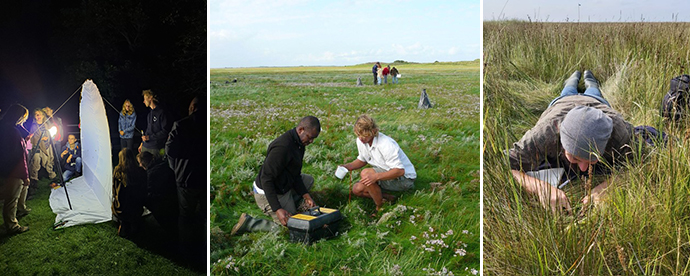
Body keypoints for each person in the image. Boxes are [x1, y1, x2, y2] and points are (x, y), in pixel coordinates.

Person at [509, 70, 634, 213]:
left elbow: (643, 163)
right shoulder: (545, 132)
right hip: (562, 103)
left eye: (592, 159)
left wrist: (608, 187)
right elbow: (506, 167)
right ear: (561, 142)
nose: (582, 168)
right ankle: (574, 77)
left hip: (597, 102)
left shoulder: (620, 131)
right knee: (568, 90)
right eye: (574, 157)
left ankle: (589, 78)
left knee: (594, 91)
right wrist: (541, 188)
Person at [231, 116, 321, 235]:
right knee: (292, 226)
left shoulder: (299, 144)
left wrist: (306, 196)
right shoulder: (282, 147)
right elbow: (266, 179)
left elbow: (296, 174)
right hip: (267, 192)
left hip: (283, 185)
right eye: (310, 138)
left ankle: (293, 204)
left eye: (313, 139)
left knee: (308, 180)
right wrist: (277, 209)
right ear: (301, 130)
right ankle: (250, 223)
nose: (311, 142)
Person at [340, 115, 416, 215]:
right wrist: (347, 166)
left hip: (404, 180)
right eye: (358, 135)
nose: (361, 138)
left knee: (366, 173)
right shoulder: (361, 141)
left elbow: (400, 171)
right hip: (386, 173)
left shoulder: (386, 144)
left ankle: (380, 207)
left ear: (373, 131)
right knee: (357, 189)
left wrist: (376, 177)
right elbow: (363, 159)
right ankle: (388, 198)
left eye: (365, 136)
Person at [165, 96, 206, 265]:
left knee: (185, 215)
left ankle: (186, 250)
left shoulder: (181, 125)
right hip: (203, 177)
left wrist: (176, 168)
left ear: (193, 107)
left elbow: (170, 149)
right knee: (203, 215)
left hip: (186, 177)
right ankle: (202, 247)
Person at [0, 104, 31, 234]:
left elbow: (25, 134)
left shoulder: (6, 127)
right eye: (23, 117)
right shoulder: (12, 132)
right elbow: (19, 156)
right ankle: (12, 226)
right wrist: (25, 175)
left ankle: (21, 209)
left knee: (14, 195)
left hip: (6, 168)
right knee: (11, 199)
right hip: (13, 170)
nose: (23, 120)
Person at [137, 152, 178, 233]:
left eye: (140, 163)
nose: (139, 166)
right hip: (174, 196)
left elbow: (149, 190)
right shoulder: (163, 165)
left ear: (143, 163)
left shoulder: (151, 174)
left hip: (163, 203)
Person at [112, 148, 147, 238]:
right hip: (137, 207)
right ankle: (132, 223)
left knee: (120, 203)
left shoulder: (118, 172)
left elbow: (114, 189)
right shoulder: (140, 171)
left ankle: (124, 223)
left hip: (122, 208)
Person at [29, 108, 57, 187]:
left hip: (47, 146)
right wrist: (41, 139)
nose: (38, 115)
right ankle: (33, 181)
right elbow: (33, 138)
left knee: (49, 162)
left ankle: (53, 177)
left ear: (42, 115)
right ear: (35, 116)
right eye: (36, 114)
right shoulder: (33, 126)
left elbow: (51, 132)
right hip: (37, 148)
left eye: (40, 114)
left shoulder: (46, 124)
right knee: (35, 164)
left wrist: (48, 137)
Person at [138, 89, 171, 157]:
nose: (143, 101)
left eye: (145, 99)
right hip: (145, 146)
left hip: (155, 148)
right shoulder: (149, 114)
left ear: (150, 98)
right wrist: (142, 143)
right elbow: (148, 130)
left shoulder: (161, 112)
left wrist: (149, 137)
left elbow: (165, 132)